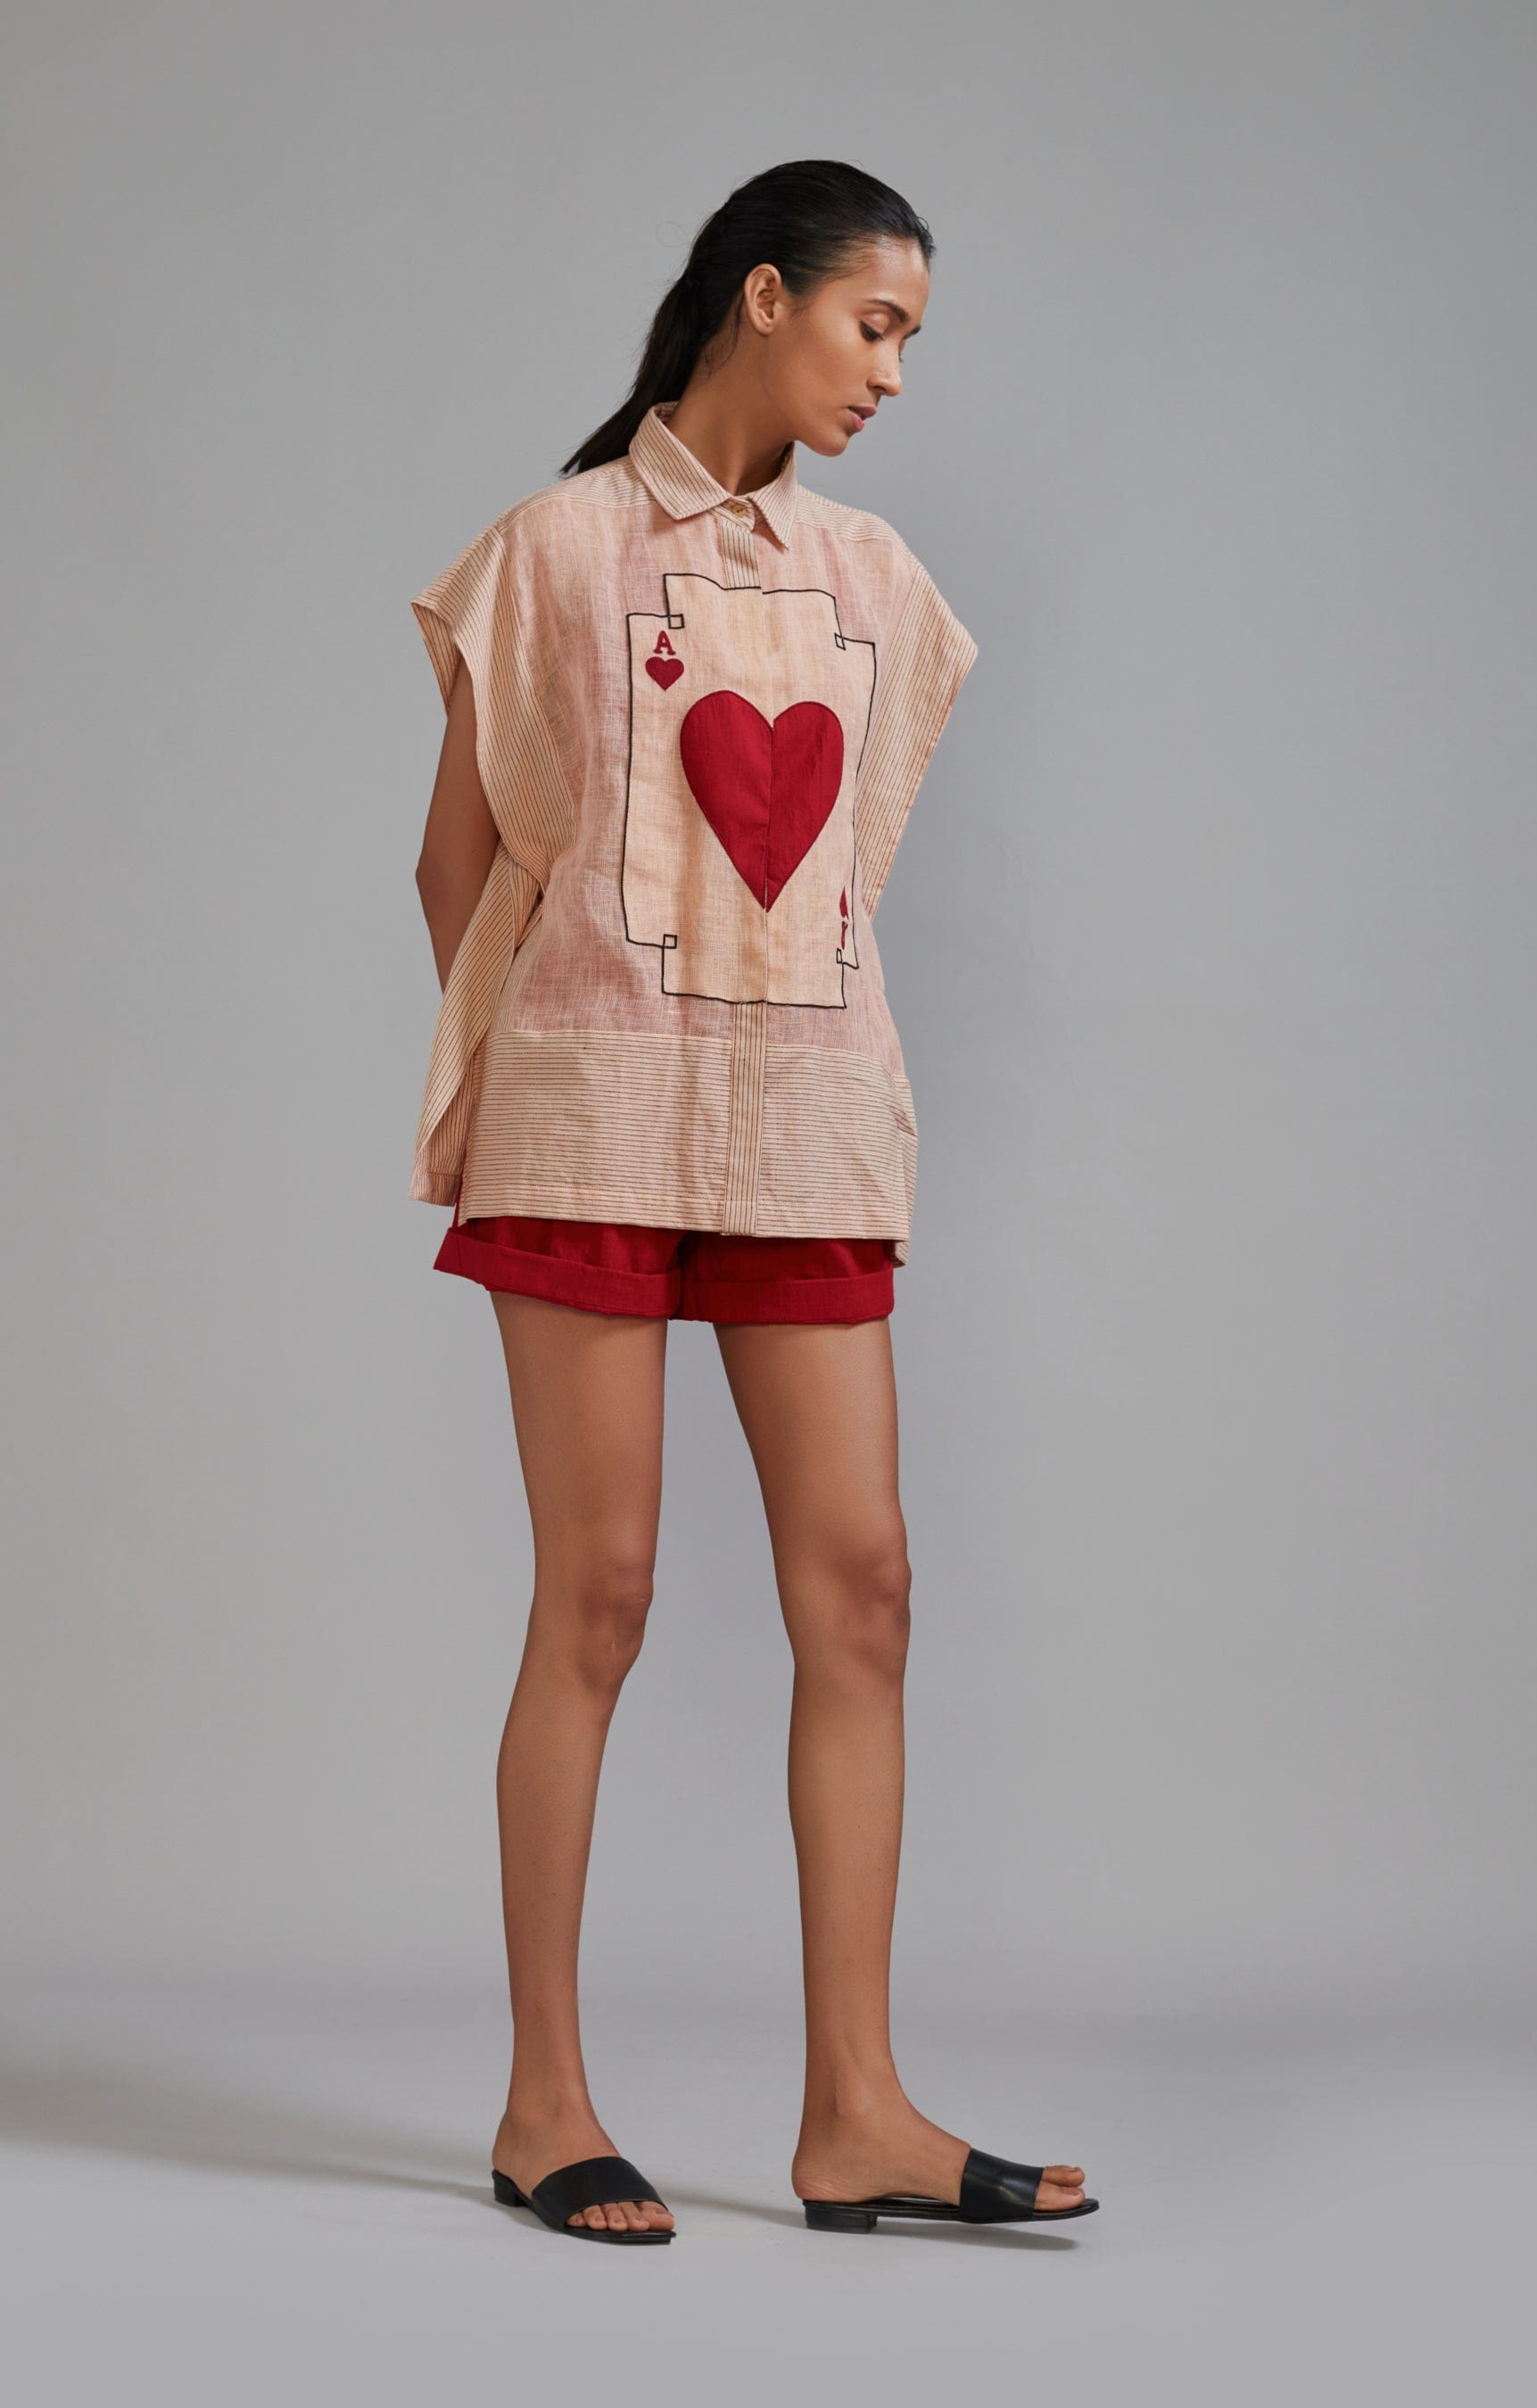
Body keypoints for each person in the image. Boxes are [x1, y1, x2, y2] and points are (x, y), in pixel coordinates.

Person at [409, 159, 1097, 2246]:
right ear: (768, 295)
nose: (893, 374)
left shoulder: (878, 582)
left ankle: (855, 2112)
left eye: (912, 343)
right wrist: (545, 1060)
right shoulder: (551, 548)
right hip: (591, 1118)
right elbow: (455, 866)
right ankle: (544, 2103)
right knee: (600, 1596)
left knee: (865, 1591)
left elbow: (838, 865)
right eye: (876, 326)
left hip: (800, 1124)